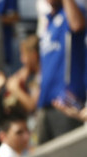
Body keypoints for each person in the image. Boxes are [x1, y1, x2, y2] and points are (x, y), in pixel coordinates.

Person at [36, 0, 85, 144]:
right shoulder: (48, 21)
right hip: (44, 104)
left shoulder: (72, 13)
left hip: (66, 103)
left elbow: (77, 25)